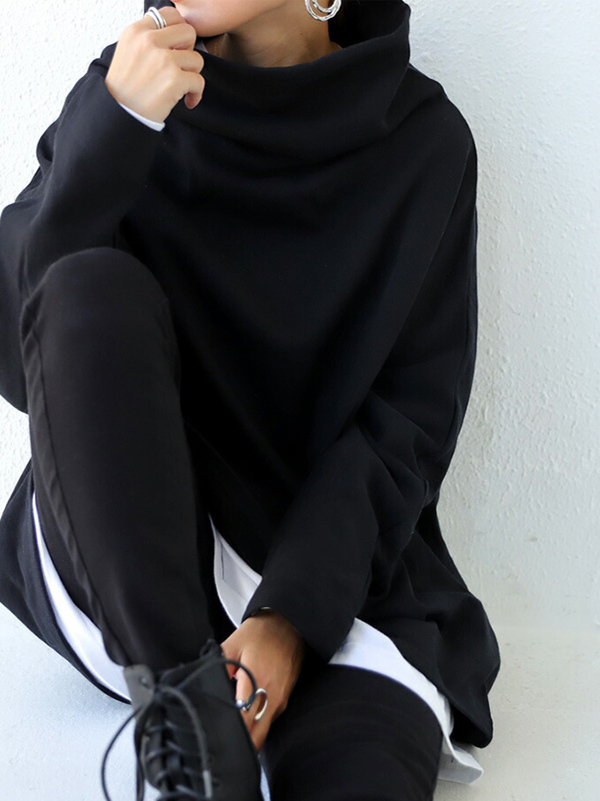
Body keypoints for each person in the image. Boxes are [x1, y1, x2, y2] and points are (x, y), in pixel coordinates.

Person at [0, 1, 502, 799]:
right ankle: (188, 721)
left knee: (362, 774)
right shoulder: (136, 88)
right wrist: (117, 121)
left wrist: (288, 621)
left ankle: (212, 715)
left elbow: (405, 428)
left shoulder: (423, 140)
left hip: (332, 576)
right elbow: (29, 351)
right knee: (87, 287)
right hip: (134, 569)